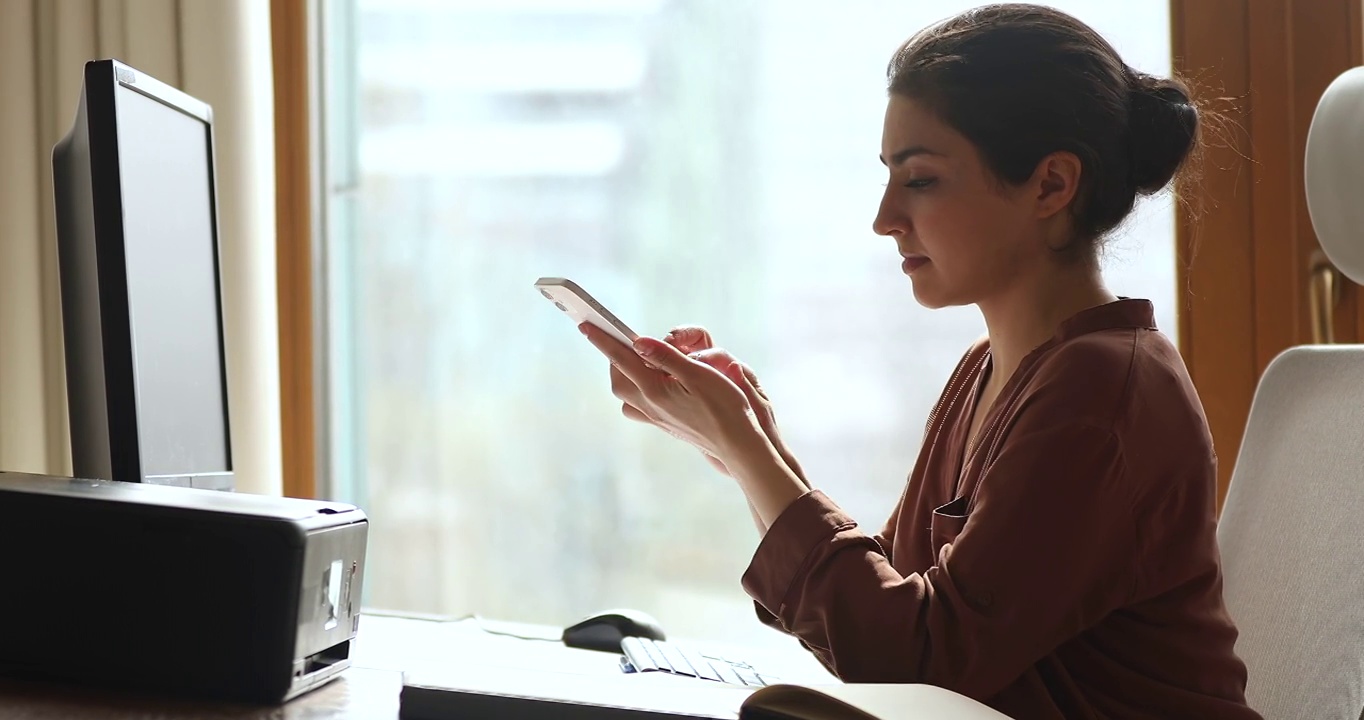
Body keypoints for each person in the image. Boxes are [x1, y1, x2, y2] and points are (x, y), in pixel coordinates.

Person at [577, 4, 1261, 718]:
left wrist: (748, 450)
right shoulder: (989, 369)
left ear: (1052, 186)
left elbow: (913, 659)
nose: (885, 217)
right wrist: (750, 441)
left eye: (922, 179)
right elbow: (894, 604)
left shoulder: (1104, 392)